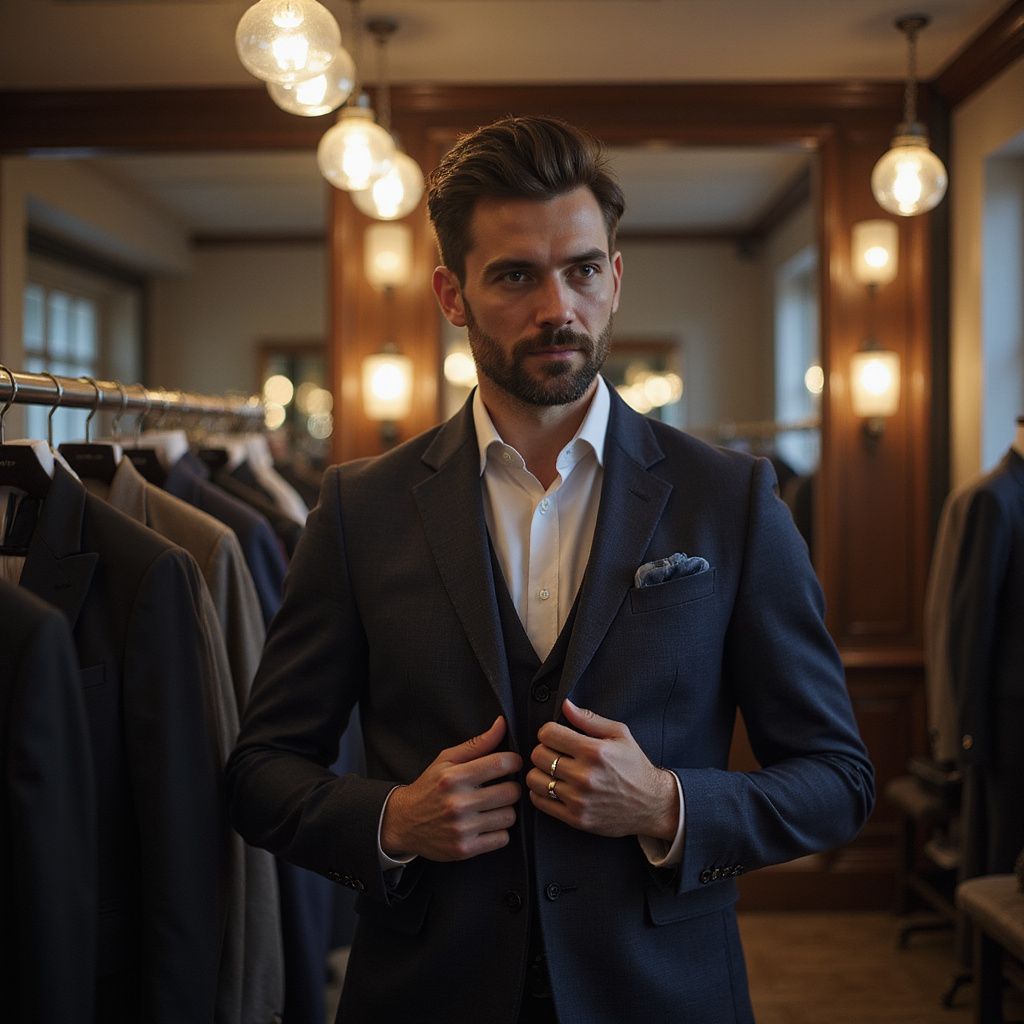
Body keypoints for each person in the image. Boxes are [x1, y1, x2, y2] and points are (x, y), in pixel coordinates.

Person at [227, 115, 874, 1024]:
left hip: (664, 993)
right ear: (453, 295)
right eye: (516, 276)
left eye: (580, 270)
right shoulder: (359, 510)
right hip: (425, 995)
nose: (556, 308)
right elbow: (260, 771)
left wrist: (667, 804)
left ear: (614, 277)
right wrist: (393, 821)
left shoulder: (729, 498)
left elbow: (838, 779)